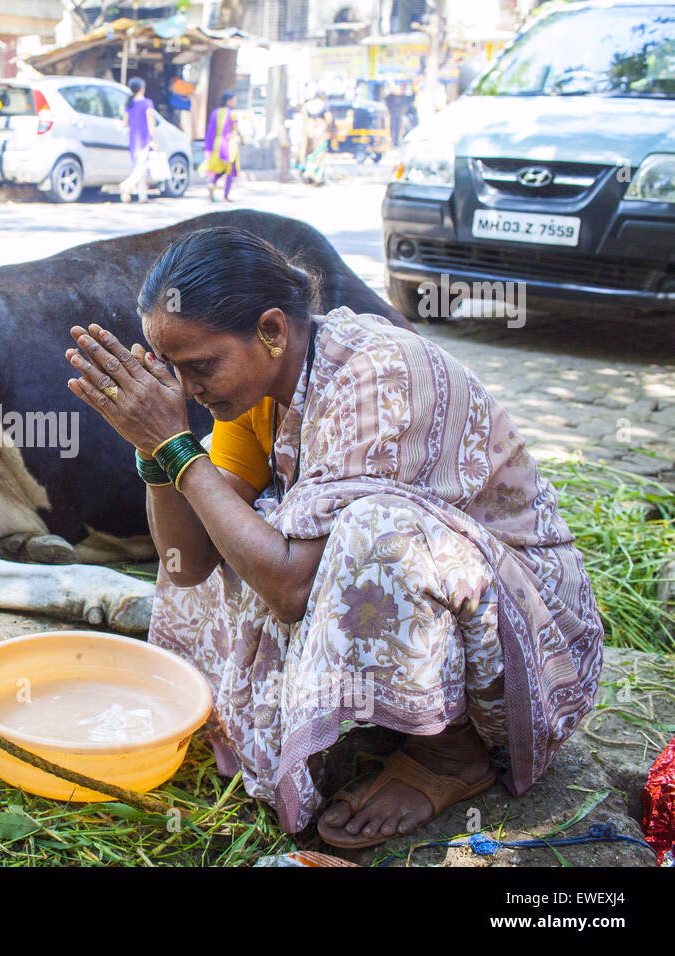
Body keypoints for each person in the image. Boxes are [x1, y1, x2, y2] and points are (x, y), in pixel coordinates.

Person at [64, 227, 603, 848]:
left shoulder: (379, 373)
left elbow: (290, 589)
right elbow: (188, 566)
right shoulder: (258, 391)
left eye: (201, 367)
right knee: (226, 512)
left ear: (272, 330)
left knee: (374, 531)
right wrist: (153, 451)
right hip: (459, 614)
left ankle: (453, 755)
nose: (186, 390)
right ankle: (396, 718)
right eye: (173, 372)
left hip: (531, 631)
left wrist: (177, 447)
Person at [119, 77, 157, 204]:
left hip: (133, 140)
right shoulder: (147, 103)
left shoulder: (129, 104)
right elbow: (151, 124)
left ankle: (143, 196)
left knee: (139, 167)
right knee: (142, 168)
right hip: (144, 140)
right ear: (141, 88)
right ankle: (126, 185)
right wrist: (155, 140)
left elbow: (125, 123)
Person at [199, 91, 242, 202]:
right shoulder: (232, 113)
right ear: (228, 101)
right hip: (229, 144)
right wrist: (242, 139)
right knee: (230, 170)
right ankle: (225, 196)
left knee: (222, 168)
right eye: (234, 100)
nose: (235, 102)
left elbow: (211, 130)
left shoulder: (215, 113)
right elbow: (236, 129)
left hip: (217, 144)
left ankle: (212, 184)